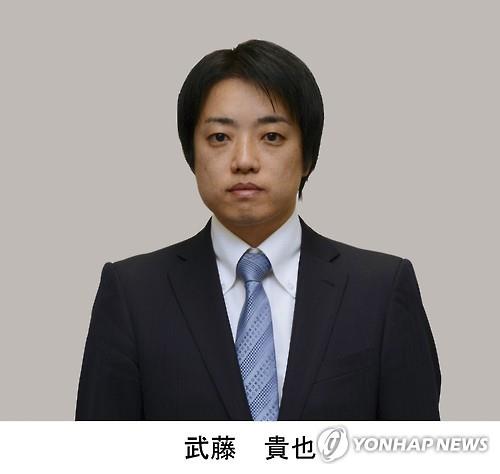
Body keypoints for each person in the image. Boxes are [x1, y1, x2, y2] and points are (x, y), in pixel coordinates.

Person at [75, 39, 441, 421]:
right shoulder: (133, 294)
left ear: (308, 155)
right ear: (191, 154)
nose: (244, 160)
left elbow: (416, 446)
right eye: (220, 137)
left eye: (271, 137)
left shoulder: (380, 290)